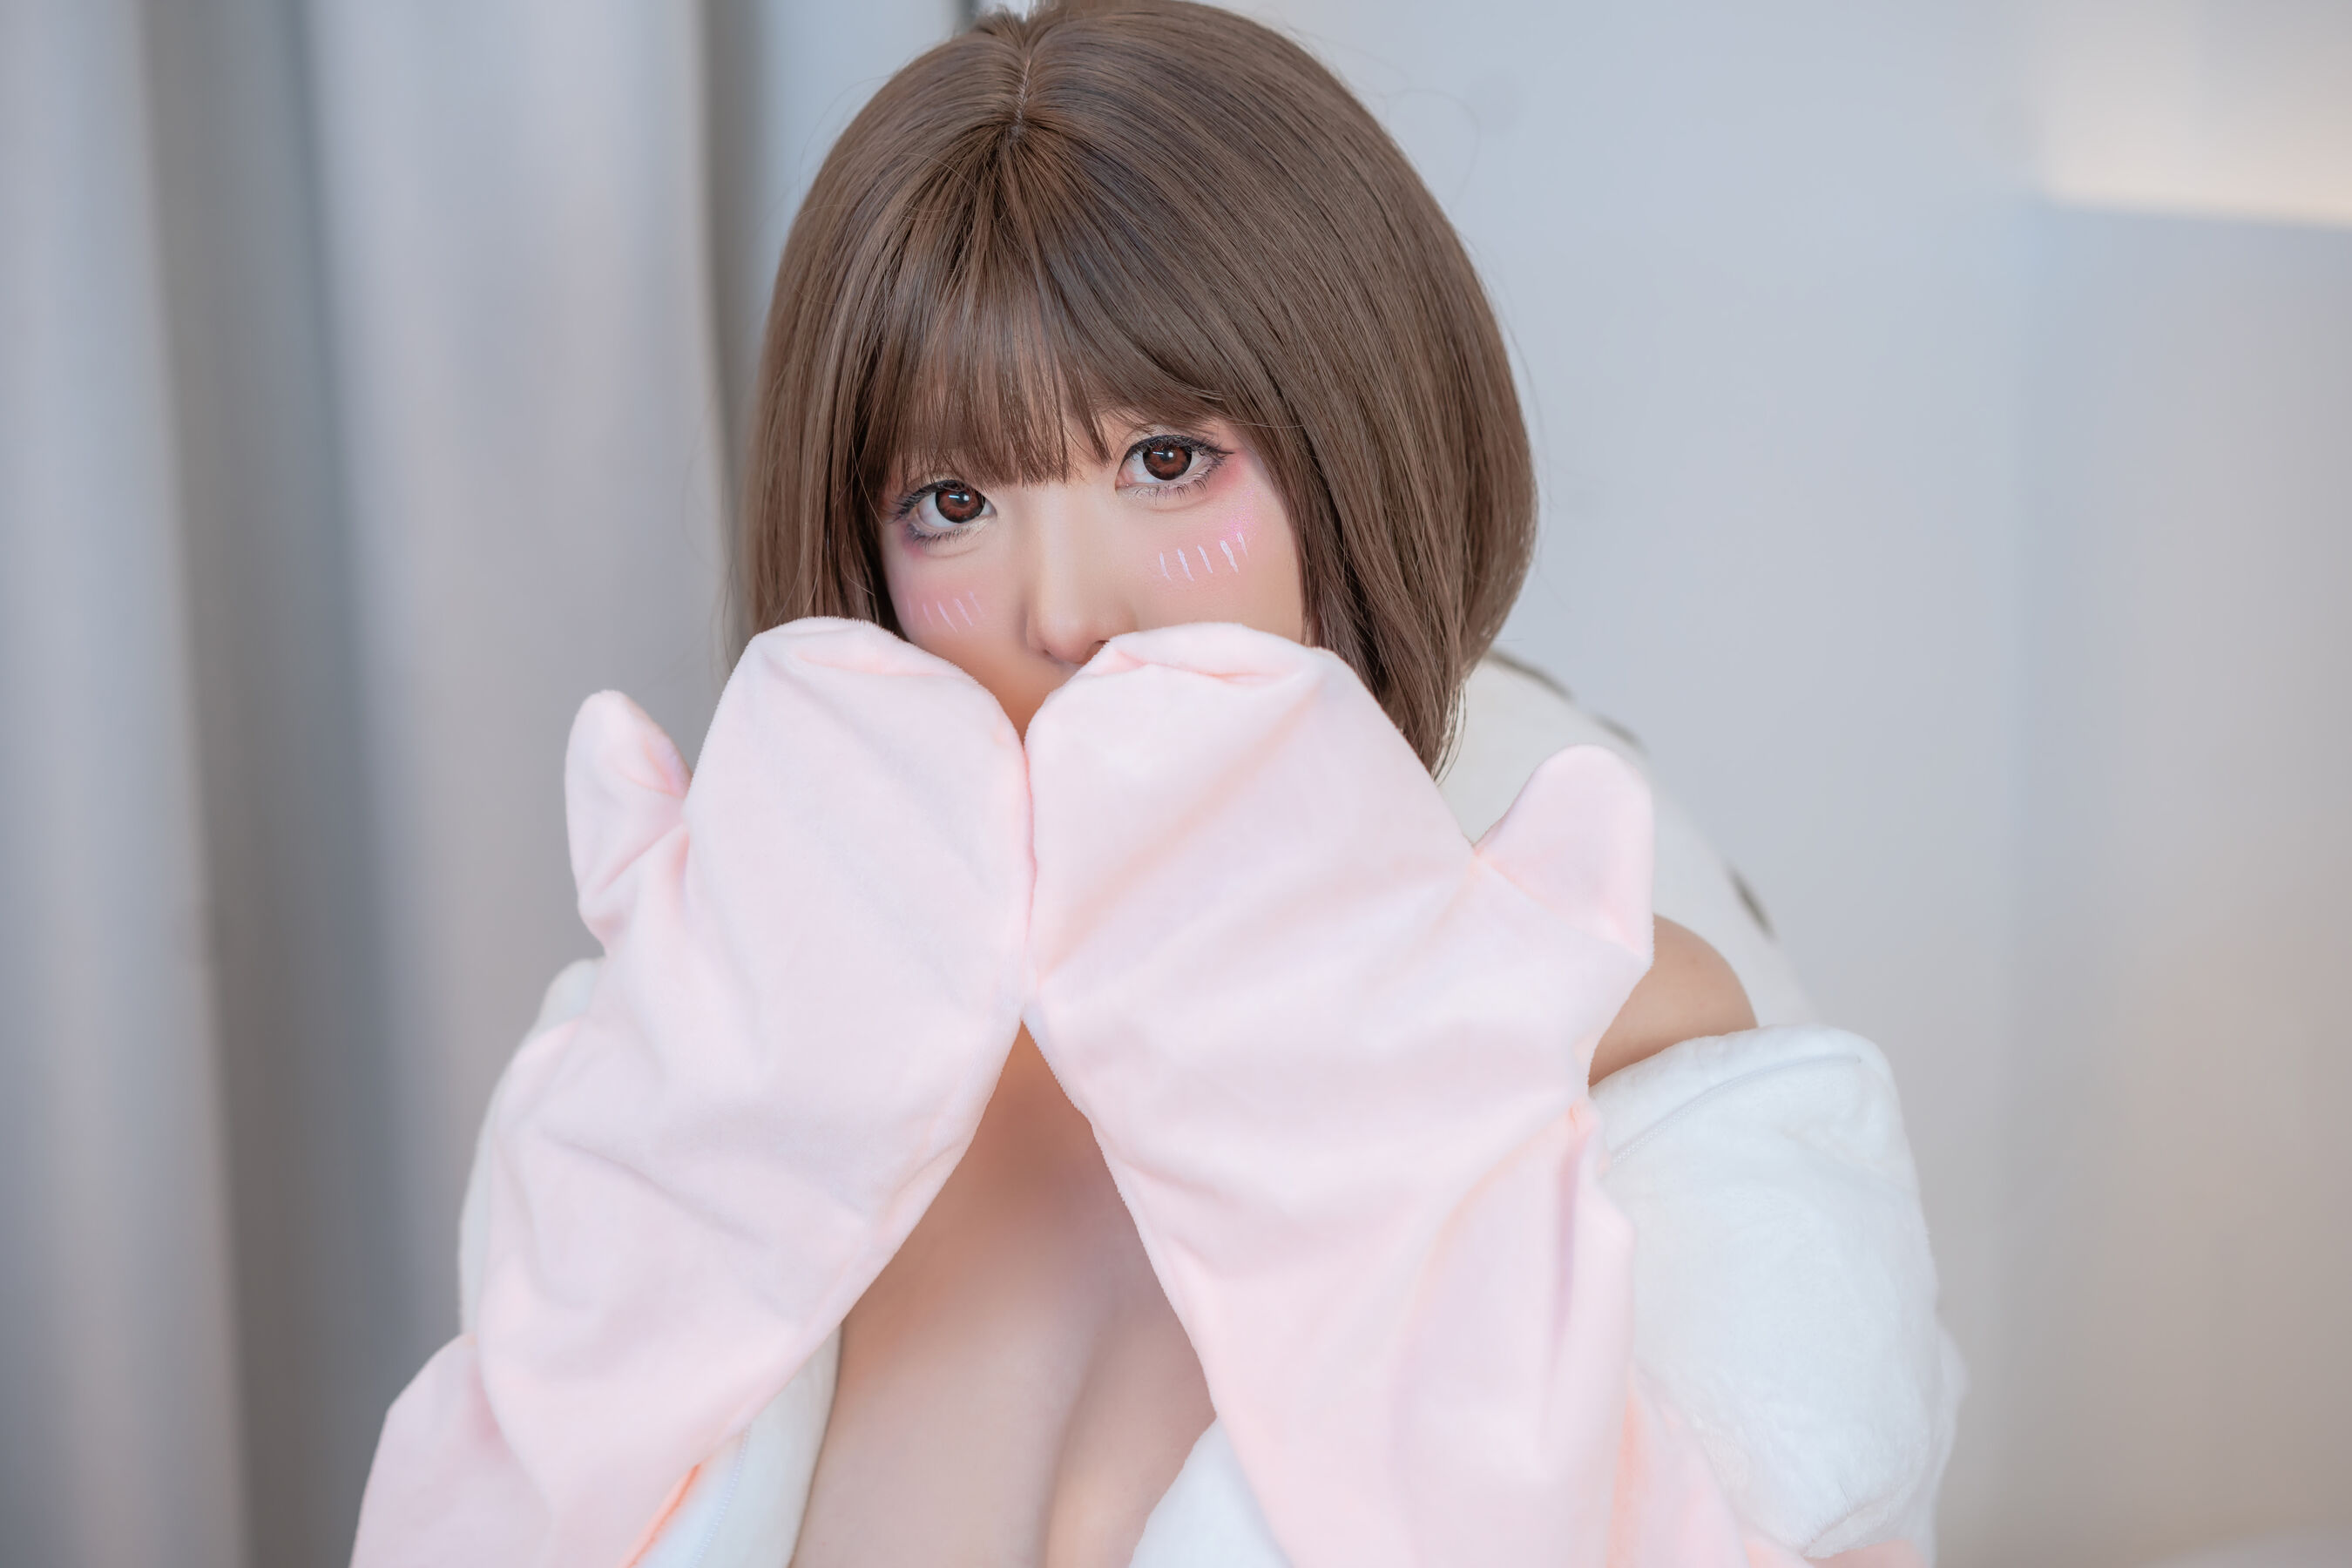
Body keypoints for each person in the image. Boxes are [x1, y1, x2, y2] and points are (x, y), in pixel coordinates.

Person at [351, 4, 1959, 1565]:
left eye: (1166, 462)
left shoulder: (1607, 1022)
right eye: (954, 501)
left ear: (1361, 454)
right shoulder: (695, 1056)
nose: (1065, 611)